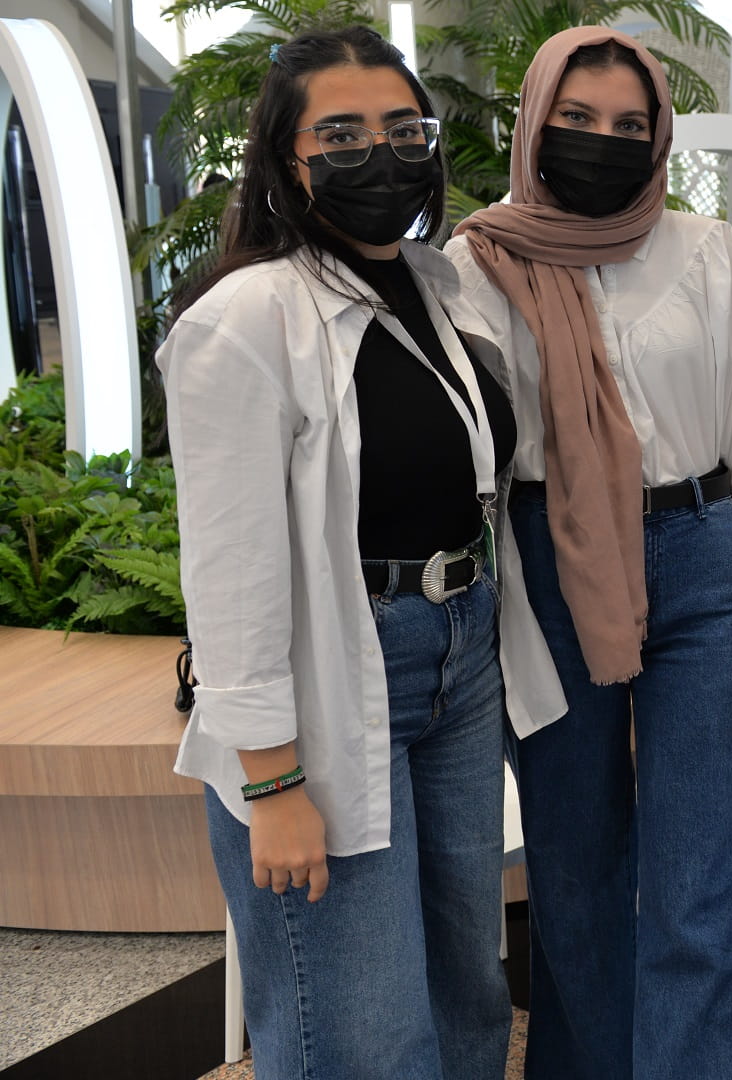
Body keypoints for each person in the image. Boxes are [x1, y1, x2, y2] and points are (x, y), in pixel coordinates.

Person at [444, 26, 732, 1077]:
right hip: (552, 562)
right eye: (579, 119)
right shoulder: (476, 264)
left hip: (700, 554)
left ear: (661, 135)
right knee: (575, 866)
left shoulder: (709, 250)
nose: (605, 140)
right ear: (537, 121)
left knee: (700, 874)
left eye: (630, 124)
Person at [160, 26, 533, 1079]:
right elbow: (228, 571)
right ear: (289, 160)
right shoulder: (244, 319)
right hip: (337, 665)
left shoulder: (435, 283)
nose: (381, 154)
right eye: (343, 134)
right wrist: (272, 785)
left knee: (467, 987)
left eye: (404, 130)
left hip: (459, 653)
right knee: (362, 1026)